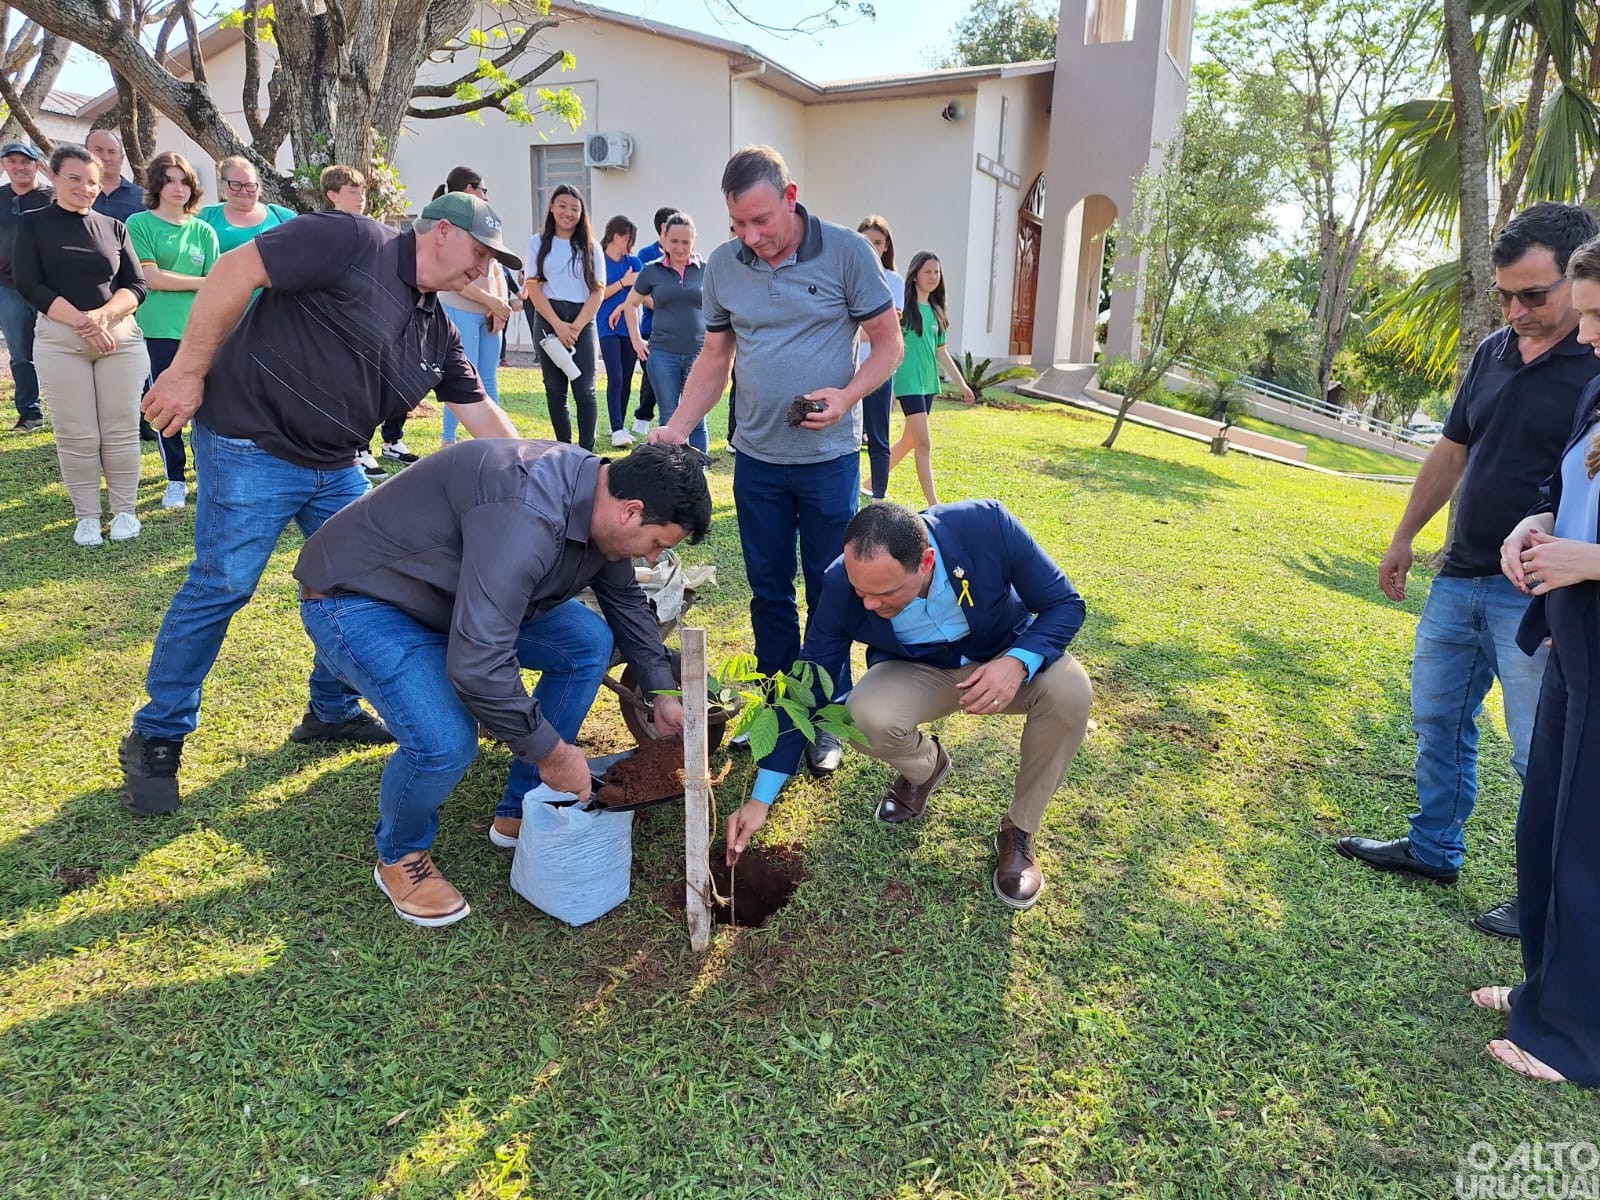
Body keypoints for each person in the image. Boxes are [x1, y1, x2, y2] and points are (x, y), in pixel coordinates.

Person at [118, 192, 523, 817]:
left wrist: (539, 474)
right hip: (250, 441)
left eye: (491, 261)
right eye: (480, 252)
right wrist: (188, 370)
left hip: (337, 465)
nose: (483, 268)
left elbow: (480, 411)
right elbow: (235, 269)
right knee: (223, 584)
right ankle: (157, 735)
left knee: (371, 585)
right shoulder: (352, 239)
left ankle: (331, 711)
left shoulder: (435, 329)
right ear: (442, 231)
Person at [294, 441, 711, 926]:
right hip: (366, 598)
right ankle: (400, 854)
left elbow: (624, 600)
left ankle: (522, 806)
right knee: (444, 743)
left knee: (586, 641)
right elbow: (479, 663)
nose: (653, 556)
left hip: (460, 596)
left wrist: (660, 690)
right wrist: (552, 752)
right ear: (631, 511)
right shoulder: (526, 515)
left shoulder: (600, 498)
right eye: (657, 543)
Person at [1337, 202, 1600, 940]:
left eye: (1534, 295)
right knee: (1438, 718)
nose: (1515, 311)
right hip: (1460, 574)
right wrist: (1404, 537)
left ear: (1577, 278)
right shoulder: (1493, 351)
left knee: (1539, 750)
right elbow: (1452, 450)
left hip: (1540, 591)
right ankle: (1432, 848)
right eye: (1504, 296)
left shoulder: (1596, 362)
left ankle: (1544, 895)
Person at [651, 145, 902, 775]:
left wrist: (846, 396)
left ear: (791, 198)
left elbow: (887, 343)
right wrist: (677, 427)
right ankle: (776, 709)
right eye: (737, 223)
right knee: (768, 591)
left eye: (761, 220)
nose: (750, 236)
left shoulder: (847, 252)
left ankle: (825, 716)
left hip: (828, 461)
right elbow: (716, 357)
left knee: (829, 589)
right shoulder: (723, 266)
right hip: (757, 460)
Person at [727, 501, 1092, 909]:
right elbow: (807, 686)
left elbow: (1065, 604)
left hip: (1004, 657)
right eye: (861, 591)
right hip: (920, 670)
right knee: (862, 717)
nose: (868, 604)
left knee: (1070, 692)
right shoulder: (841, 583)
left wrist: (1017, 662)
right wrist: (760, 799)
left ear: (926, 562)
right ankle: (927, 767)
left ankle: (1019, 830)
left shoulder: (986, 526)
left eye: (884, 593)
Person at [1472, 235, 1600, 1085]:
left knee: (1589, 846)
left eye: (1597, 316)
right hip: (1574, 640)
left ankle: (1575, 1039)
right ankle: (1545, 993)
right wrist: (1538, 525)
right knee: (1548, 828)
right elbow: (1570, 491)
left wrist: (1592, 561)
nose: (1585, 336)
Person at [13, 144, 149, 546]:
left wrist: (103, 316)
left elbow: (136, 285)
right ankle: (87, 516)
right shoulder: (33, 224)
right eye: (74, 179)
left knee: (120, 430)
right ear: (53, 177)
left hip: (119, 340)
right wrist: (81, 322)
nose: (85, 188)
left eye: (92, 181)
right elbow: (28, 283)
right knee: (78, 434)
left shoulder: (114, 227)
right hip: (61, 341)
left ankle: (125, 511)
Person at [127, 151, 220, 509]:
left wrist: (202, 285)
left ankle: (205, 474)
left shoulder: (204, 230)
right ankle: (175, 480)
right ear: (156, 185)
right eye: (169, 181)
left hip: (200, 332)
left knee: (206, 409)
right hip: (157, 330)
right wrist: (202, 283)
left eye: (185, 182)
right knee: (167, 408)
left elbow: (217, 287)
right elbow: (151, 278)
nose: (178, 188)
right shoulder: (139, 224)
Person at [318, 165, 388, 480]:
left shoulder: (370, 229)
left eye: (362, 191)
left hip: (366, 319)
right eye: (352, 191)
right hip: (335, 320)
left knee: (364, 389)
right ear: (332, 194)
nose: (361, 197)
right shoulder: (323, 230)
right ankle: (349, 450)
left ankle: (363, 448)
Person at [887, 251, 975, 505]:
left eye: (936, 272)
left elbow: (941, 353)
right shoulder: (904, 310)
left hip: (928, 384)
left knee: (909, 440)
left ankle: (870, 484)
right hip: (908, 383)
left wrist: (962, 384)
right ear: (915, 275)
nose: (933, 276)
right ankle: (934, 504)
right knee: (924, 443)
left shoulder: (936, 311)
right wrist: (890, 387)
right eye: (927, 271)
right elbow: (892, 347)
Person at [434, 168, 511, 452]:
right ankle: (448, 440)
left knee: (489, 378)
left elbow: (496, 268)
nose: (486, 196)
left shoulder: (486, 221)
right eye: (483, 190)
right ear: (469, 189)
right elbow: (454, 278)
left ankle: (494, 444)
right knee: (462, 376)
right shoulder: (451, 223)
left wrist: (500, 305)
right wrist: (491, 302)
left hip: (489, 314)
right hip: (460, 309)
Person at [523, 184, 605, 450]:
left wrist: (576, 327)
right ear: (551, 207)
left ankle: (586, 451)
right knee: (554, 389)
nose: (568, 213)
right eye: (562, 206)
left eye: (574, 208)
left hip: (583, 320)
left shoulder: (592, 247)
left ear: (582, 213)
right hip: (548, 319)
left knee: (585, 389)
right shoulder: (537, 243)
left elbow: (598, 291)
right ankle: (564, 448)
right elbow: (533, 288)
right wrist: (557, 325)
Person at [622, 212, 709, 455]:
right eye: (674, 241)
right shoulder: (652, 271)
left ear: (694, 240)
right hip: (662, 356)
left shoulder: (706, 270)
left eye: (686, 242)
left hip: (699, 355)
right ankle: (672, 473)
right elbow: (630, 304)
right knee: (669, 418)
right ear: (664, 238)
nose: (680, 248)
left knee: (697, 418)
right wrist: (636, 340)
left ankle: (699, 472)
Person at [0, 141, 51, 432]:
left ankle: (69, 410)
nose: (19, 167)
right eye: (13, 161)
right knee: (21, 354)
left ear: (37, 165)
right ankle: (30, 413)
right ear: (4, 165)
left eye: (26, 161)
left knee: (61, 348)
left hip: (50, 287)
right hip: (9, 288)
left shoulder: (52, 197)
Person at [857, 215, 904, 500]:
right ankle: (848, 490)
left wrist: (860, 332)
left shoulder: (893, 281)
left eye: (878, 242)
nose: (872, 247)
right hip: (846, 367)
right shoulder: (847, 275)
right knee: (844, 436)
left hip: (878, 370)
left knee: (877, 435)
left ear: (886, 246)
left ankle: (879, 496)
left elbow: (889, 333)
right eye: (866, 241)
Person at [629, 206, 677, 438]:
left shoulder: (688, 258)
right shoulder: (647, 256)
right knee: (652, 375)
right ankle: (643, 416)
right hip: (652, 327)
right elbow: (639, 294)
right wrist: (665, 306)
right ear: (663, 228)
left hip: (678, 333)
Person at [598, 215, 641, 447]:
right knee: (614, 376)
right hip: (607, 327)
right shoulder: (599, 261)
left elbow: (642, 294)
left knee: (626, 378)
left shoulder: (634, 263)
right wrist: (624, 283)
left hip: (630, 328)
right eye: (628, 239)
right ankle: (616, 429)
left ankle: (620, 425)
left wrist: (623, 305)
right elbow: (598, 294)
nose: (630, 245)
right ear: (616, 236)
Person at [197, 156, 296, 255]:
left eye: (250, 185)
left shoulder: (283, 217)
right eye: (236, 185)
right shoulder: (204, 217)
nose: (244, 191)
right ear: (222, 184)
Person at [85, 129, 145, 222]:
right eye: (99, 150)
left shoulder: (142, 198)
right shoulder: (75, 192)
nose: (106, 158)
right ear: (85, 154)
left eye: (112, 152)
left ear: (122, 158)